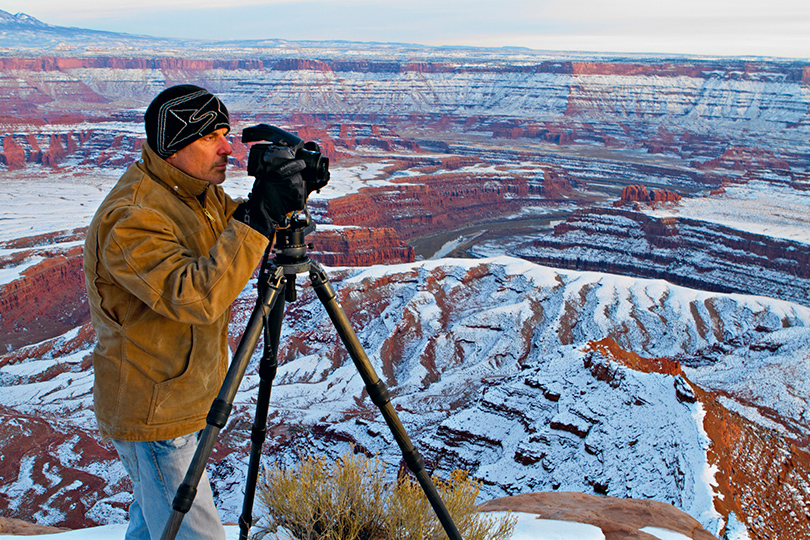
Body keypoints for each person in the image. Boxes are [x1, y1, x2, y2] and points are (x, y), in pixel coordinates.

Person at [83, 84, 305, 539]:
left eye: (225, 132)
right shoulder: (133, 217)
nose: (228, 148)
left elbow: (236, 231)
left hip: (178, 399)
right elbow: (196, 297)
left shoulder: (193, 194)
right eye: (210, 137)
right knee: (195, 533)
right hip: (154, 412)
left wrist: (282, 189)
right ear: (172, 147)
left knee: (153, 525)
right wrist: (261, 217)